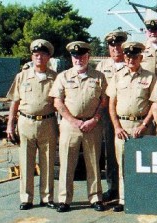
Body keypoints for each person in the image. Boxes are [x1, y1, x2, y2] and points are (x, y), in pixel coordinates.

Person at [49, 41, 107, 212]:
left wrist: (94, 119)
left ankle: (95, 197)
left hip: (92, 125)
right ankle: (64, 200)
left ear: (88, 56)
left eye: (82, 56)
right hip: (69, 125)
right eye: (75, 56)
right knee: (67, 162)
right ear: (71, 58)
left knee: (93, 162)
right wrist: (73, 121)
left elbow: (104, 101)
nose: (78, 59)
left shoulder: (99, 77)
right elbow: (57, 102)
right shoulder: (63, 77)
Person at [6, 39, 58, 210]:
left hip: (48, 122)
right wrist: (10, 125)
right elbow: (14, 101)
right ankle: (26, 198)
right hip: (26, 122)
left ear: (49, 57)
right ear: (32, 56)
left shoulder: (55, 77)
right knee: (26, 161)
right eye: (36, 55)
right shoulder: (22, 76)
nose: (39, 58)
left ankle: (47, 197)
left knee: (48, 161)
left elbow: (61, 102)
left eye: (43, 55)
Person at [106, 42, 155, 212]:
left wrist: (144, 124)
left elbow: (154, 104)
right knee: (123, 164)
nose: (130, 59)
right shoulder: (117, 76)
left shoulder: (150, 77)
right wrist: (117, 127)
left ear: (140, 58)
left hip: (142, 126)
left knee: (144, 164)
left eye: (134, 56)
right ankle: (124, 199)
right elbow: (111, 104)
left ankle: (143, 197)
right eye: (128, 56)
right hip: (123, 126)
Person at [95, 29, 127, 202]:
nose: (116, 48)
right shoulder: (102, 66)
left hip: (127, 113)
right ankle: (113, 187)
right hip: (108, 114)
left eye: (119, 45)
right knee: (110, 153)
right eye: (112, 45)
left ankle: (129, 187)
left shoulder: (131, 63)